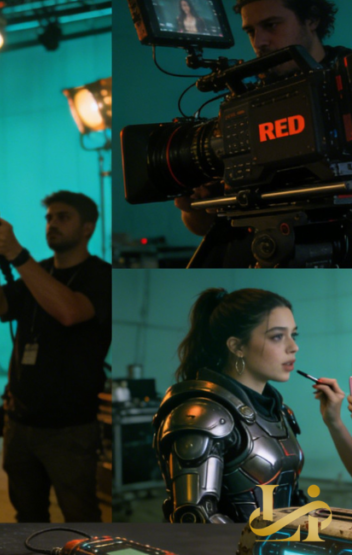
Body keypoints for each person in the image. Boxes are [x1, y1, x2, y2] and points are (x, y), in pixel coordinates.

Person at [0, 191, 111, 523]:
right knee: (27, 516)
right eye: (49, 218)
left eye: (63, 217)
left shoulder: (102, 275)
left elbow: (69, 311)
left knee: (80, 518)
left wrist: (17, 254)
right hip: (20, 422)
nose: (52, 224)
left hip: (70, 427)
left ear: (88, 228)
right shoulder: (37, 271)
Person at [175, 0, 341, 238]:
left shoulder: (344, 76)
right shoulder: (245, 102)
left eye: (271, 25)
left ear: (311, 20)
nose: (259, 42)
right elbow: (204, 228)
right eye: (251, 31)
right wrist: (196, 205)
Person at [152, 288, 306, 523]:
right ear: (237, 346)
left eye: (293, 335)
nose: (293, 347)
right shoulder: (203, 415)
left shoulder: (276, 410)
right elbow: (196, 518)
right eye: (277, 336)